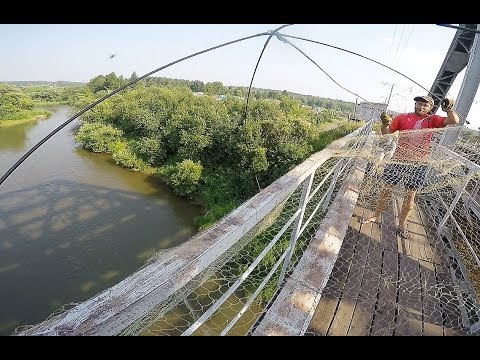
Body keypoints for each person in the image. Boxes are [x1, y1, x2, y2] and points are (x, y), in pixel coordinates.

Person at [361, 95, 459, 238]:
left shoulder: (432, 120)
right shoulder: (402, 117)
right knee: (385, 190)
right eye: (419, 103)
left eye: (425, 105)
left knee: (410, 196)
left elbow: (454, 120)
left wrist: (448, 109)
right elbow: (386, 133)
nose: (421, 107)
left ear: (430, 108)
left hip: (419, 164)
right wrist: (384, 124)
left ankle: (401, 224)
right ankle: (375, 216)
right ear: (415, 104)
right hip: (398, 160)